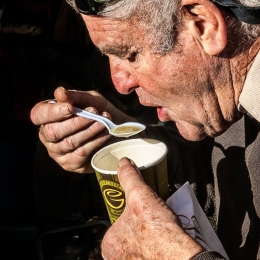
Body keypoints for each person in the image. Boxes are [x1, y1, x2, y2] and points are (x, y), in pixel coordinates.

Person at [30, 0, 260, 259]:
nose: (120, 83)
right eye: (108, 56)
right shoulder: (234, 104)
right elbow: (232, 178)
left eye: (130, 55)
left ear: (202, 23)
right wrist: (136, 148)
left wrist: (175, 254)